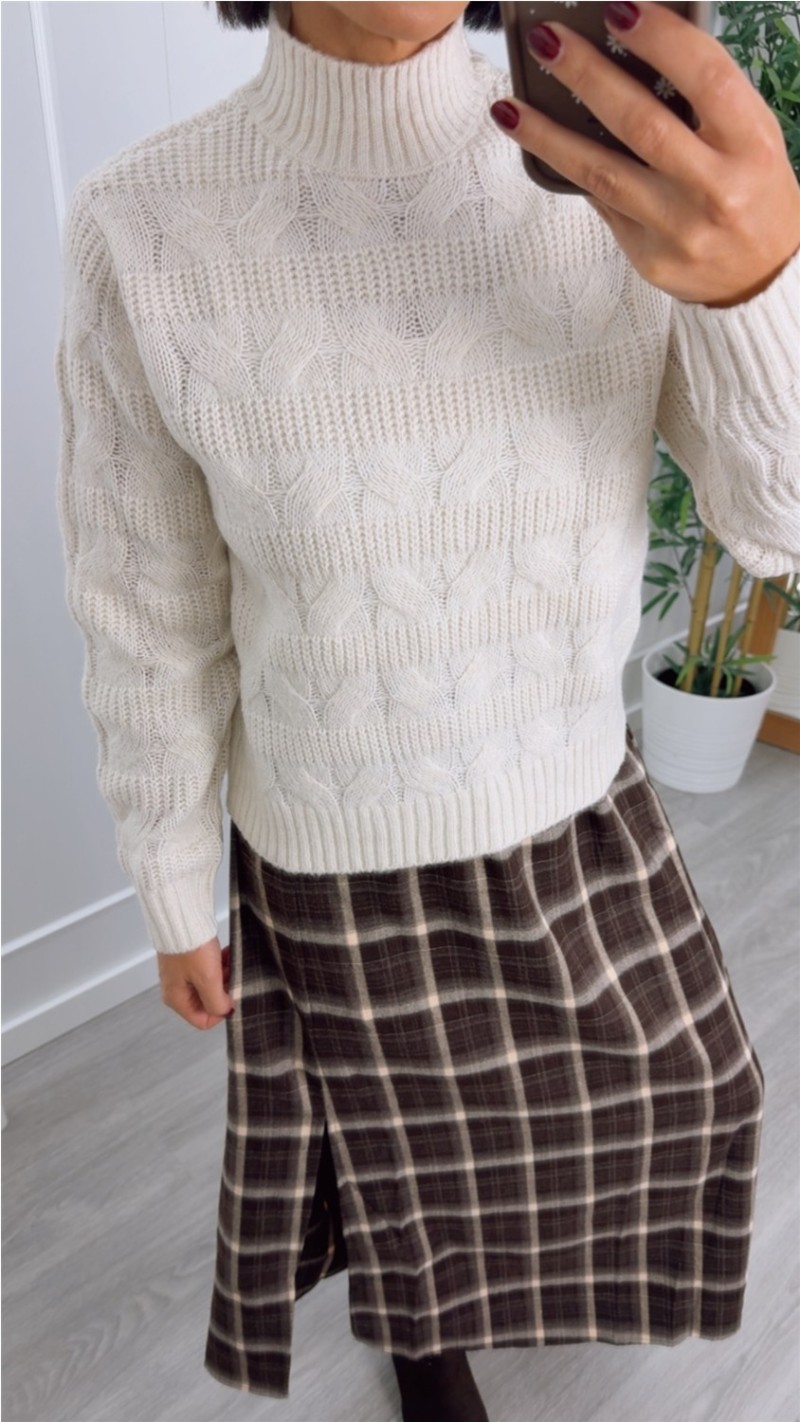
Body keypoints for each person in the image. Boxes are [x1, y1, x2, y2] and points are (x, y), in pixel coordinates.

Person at [54, 2, 799, 1419]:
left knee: (696, 1095)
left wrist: (759, 289)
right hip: (331, 843)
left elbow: (779, 526)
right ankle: (425, 1338)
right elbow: (148, 605)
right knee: (399, 1168)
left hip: (573, 803)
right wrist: (170, 879)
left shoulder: (619, 170)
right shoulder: (139, 227)